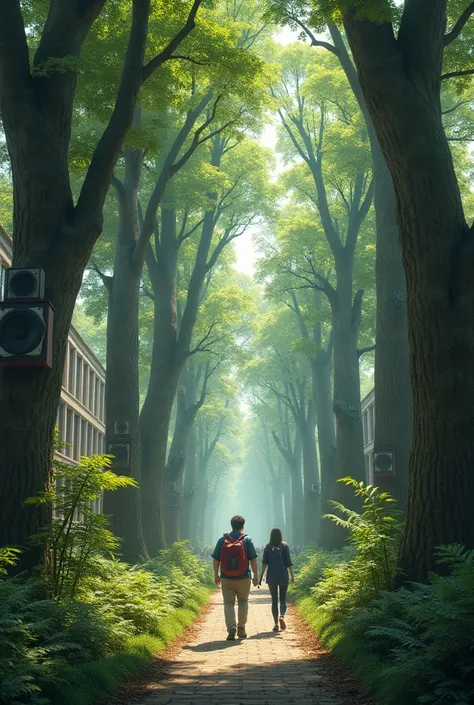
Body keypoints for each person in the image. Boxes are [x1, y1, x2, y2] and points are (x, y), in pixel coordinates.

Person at [212, 514, 258, 641]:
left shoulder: (222, 540)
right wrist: (256, 577)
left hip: (226, 577)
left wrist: (216, 575)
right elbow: (253, 560)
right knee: (243, 601)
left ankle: (231, 628)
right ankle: (241, 627)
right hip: (243, 577)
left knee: (228, 603)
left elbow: (216, 560)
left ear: (231, 525)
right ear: (243, 526)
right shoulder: (247, 540)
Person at [259, 528, 294, 632]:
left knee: (274, 600)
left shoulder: (268, 547)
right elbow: (288, 562)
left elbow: (265, 563)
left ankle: (275, 624)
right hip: (283, 576)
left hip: (272, 577)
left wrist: (261, 577)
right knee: (283, 599)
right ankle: (282, 616)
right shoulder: (285, 546)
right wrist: (292, 575)